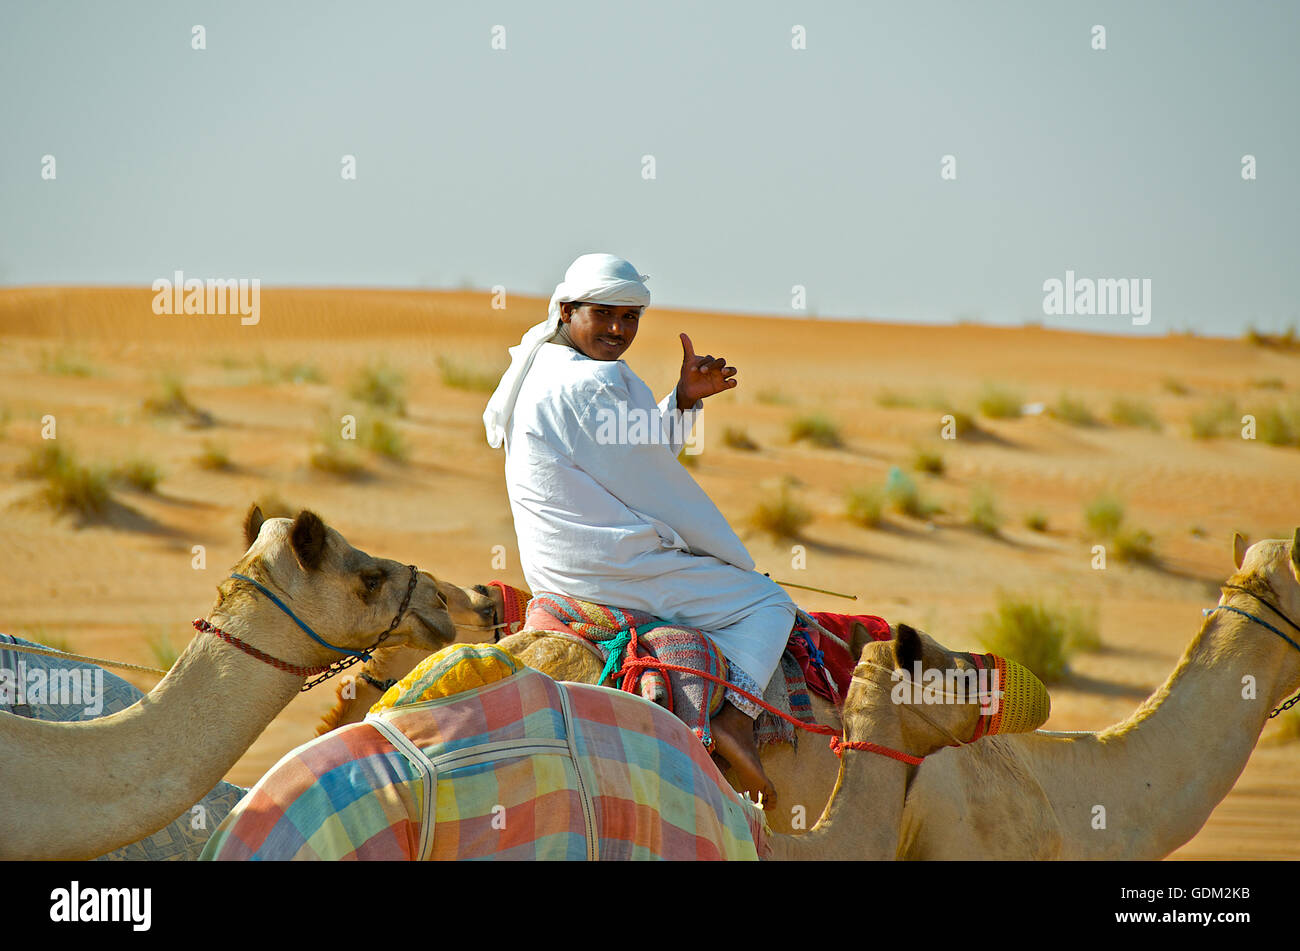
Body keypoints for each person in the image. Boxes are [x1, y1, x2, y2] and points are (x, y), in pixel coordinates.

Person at [483, 252, 796, 804]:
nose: (617, 329)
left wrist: (682, 401)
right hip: (608, 567)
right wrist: (725, 557)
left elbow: (635, 454)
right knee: (766, 603)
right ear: (567, 309)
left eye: (630, 317)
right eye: (604, 314)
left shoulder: (549, 366)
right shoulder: (588, 385)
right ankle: (737, 719)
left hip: (562, 563)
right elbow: (658, 487)